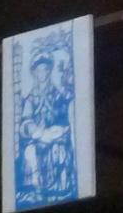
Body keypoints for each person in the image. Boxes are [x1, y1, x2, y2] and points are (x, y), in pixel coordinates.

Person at [14, 43, 79, 204]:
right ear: (34, 73)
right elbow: (25, 122)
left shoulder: (57, 94)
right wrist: (36, 131)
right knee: (30, 152)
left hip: (56, 136)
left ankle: (58, 190)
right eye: (39, 70)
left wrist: (57, 131)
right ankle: (35, 191)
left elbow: (65, 115)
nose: (42, 73)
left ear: (49, 71)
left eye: (45, 69)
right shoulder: (30, 98)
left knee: (59, 150)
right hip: (37, 138)